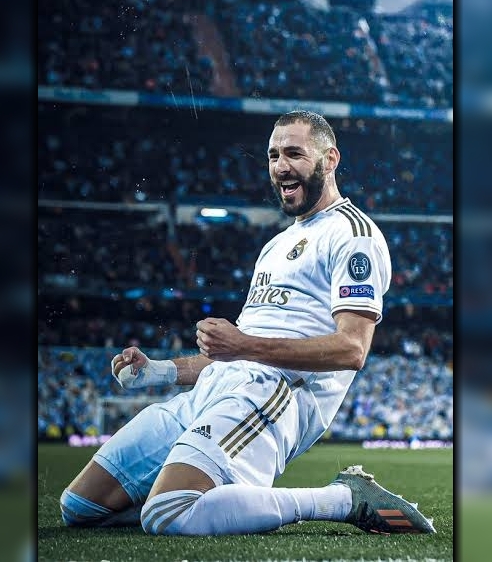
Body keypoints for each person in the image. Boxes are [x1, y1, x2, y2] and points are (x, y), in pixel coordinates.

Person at [60, 110, 435, 536]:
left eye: (294, 153)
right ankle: (208, 501)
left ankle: (343, 499)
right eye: (273, 155)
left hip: (272, 394)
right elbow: (231, 354)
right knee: (80, 506)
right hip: (213, 390)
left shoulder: (353, 235)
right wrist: (159, 371)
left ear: (330, 159)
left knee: (168, 513)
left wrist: (243, 346)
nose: (281, 166)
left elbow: (352, 349)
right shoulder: (275, 245)